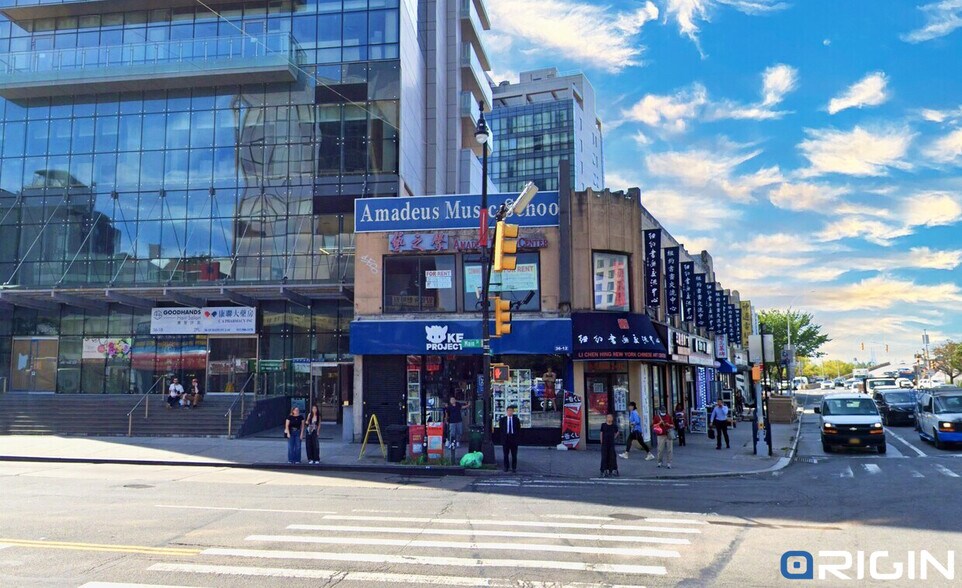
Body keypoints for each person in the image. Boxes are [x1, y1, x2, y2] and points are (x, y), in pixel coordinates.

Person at [499, 405, 521, 473]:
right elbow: (501, 429)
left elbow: (518, 429)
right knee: (506, 454)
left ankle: (514, 467)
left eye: (511, 411)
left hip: (513, 438)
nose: (510, 412)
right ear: (506, 411)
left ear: (513, 412)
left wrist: (517, 437)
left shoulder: (516, 419)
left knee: (514, 454)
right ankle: (506, 467)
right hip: (506, 438)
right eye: (508, 411)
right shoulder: (503, 419)